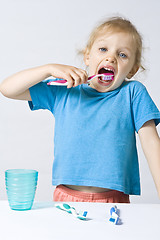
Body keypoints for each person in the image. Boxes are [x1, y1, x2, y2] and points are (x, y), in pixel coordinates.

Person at [0, 16, 160, 203]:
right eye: (103, 49)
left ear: (132, 70)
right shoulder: (65, 90)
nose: (111, 57)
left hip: (114, 200)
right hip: (66, 199)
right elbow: (7, 88)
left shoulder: (133, 93)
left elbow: (152, 145)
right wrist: (48, 69)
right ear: (87, 56)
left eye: (122, 54)